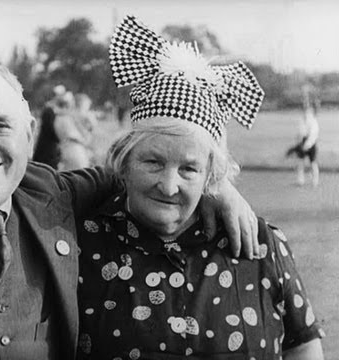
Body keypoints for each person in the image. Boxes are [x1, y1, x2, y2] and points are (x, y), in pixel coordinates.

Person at [0, 59, 258, 359]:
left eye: (0, 126)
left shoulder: (49, 192)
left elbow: (130, 172)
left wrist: (215, 184)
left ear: (30, 135)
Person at [77, 15, 324, 359]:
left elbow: (304, 344)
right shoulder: (80, 244)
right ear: (124, 160)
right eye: (153, 162)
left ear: (212, 174)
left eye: (189, 168)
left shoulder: (259, 242)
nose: (168, 184)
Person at [286, 86, 320, 187]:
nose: (305, 110)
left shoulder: (312, 120)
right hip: (303, 141)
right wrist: (299, 141)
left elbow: (314, 133)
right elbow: (300, 132)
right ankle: (300, 180)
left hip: (311, 142)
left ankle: (315, 181)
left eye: (307, 108)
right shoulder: (302, 119)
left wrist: (308, 144)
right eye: (304, 108)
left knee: (313, 162)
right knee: (300, 162)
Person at [32, 85, 65, 168]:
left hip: (50, 146)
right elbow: (50, 129)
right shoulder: (49, 110)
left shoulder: (52, 109)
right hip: (47, 147)